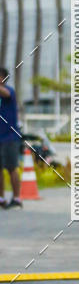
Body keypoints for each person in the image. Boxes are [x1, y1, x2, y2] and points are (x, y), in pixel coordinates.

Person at [0, 66, 22, 210]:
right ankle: (1, 198)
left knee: (12, 168)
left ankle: (16, 198)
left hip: (10, 137)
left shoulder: (9, 92)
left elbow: (6, 93)